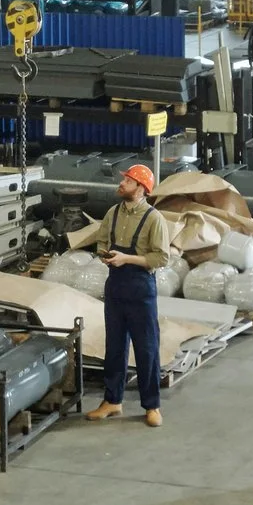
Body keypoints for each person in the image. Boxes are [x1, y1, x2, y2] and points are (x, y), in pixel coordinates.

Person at [83, 163, 170, 427]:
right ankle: (112, 400)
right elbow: (101, 243)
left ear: (141, 189)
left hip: (141, 288)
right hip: (116, 286)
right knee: (115, 346)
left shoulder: (154, 219)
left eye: (128, 181)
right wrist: (106, 257)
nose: (122, 184)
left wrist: (127, 259)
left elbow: (161, 257)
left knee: (146, 349)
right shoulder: (112, 213)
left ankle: (152, 406)